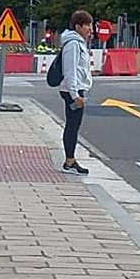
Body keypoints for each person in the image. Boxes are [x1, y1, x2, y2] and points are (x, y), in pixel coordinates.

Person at [59, 10, 94, 175]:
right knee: (72, 126)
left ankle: (70, 160)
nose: (90, 29)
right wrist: (75, 95)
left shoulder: (78, 43)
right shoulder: (73, 44)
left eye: (90, 24)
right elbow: (70, 70)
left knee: (74, 125)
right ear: (78, 26)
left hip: (77, 89)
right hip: (72, 90)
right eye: (87, 25)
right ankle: (69, 162)